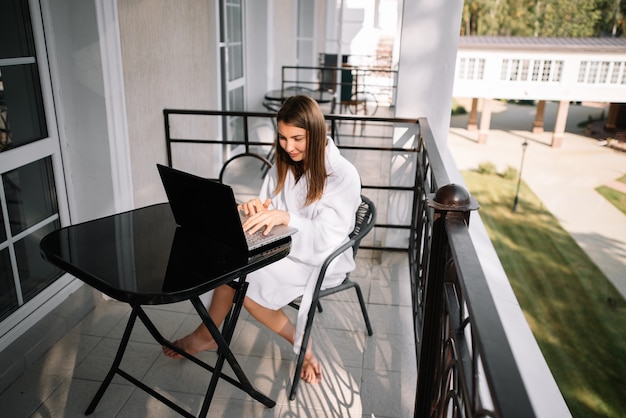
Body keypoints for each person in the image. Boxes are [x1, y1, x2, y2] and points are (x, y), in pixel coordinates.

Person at [163, 95, 361, 385]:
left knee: (245, 284)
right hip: (284, 244)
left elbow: (329, 236)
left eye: (297, 138)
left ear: (317, 134)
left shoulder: (343, 174)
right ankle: (207, 336)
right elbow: (273, 203)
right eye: (282, 138)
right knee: (228, 258)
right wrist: (258, 207)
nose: (288, 147)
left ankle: (303, 349)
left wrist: (286, 218)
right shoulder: (285, 162)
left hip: (320, 257)